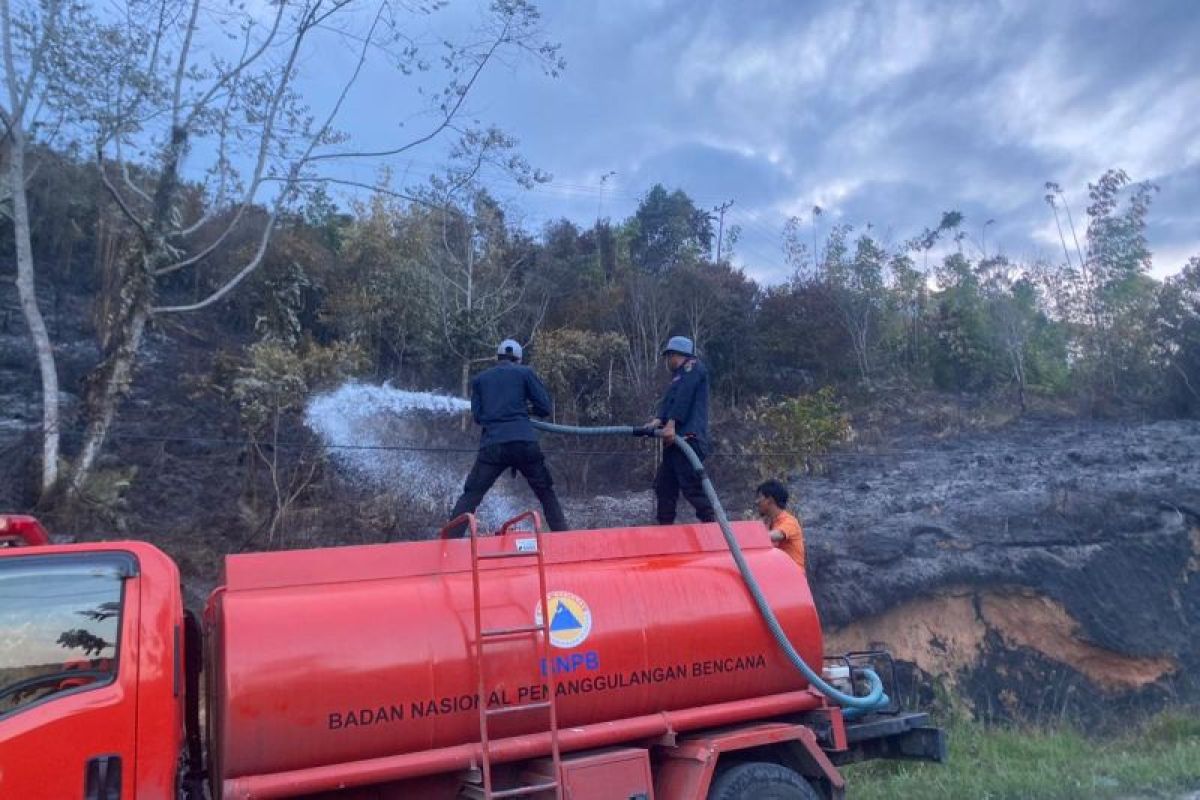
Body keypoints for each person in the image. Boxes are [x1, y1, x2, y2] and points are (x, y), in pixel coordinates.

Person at [446, 339, 568, 536]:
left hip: (493, 446)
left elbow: (478, 417)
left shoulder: (480, 379)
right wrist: (526, 410)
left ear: (498, 358)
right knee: (546, 493)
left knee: (471, 495)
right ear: (518, 359)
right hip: (524, 443)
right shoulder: (525, 373)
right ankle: (564, 539)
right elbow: (544, 408)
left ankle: (447, 546)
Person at [646, 335, 715, 525]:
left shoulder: (692, 368)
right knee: (664, 486)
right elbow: (671, 400)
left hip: (688, 439)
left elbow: (684, 397)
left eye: (668, 356)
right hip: (675, 443)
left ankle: (714, 526)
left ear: (675, 355)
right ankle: (665, 529)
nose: (667, 361)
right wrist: (658, 420)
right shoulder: (678, 377)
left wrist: (671, 424)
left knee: (691, 485)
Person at [755, 479, 806, 571]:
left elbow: (778, 534)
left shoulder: (790, 521)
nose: (757, 502)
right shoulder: (767, 523)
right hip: (777, 575)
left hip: (793, 579)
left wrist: (749, 536)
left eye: (760, 498)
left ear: (770, 500)